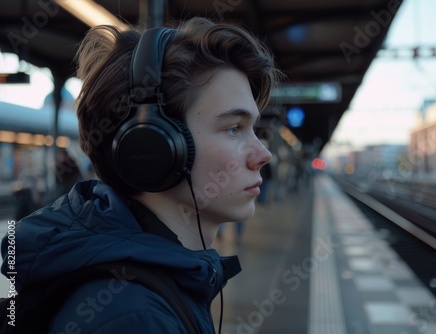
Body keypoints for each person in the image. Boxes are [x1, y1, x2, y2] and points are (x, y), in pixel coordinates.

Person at [1, 17, 281, 333]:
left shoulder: (153, 284)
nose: (263, 155)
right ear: (153, 146)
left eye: (253, 129)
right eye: (233, 128)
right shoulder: (133, 318)